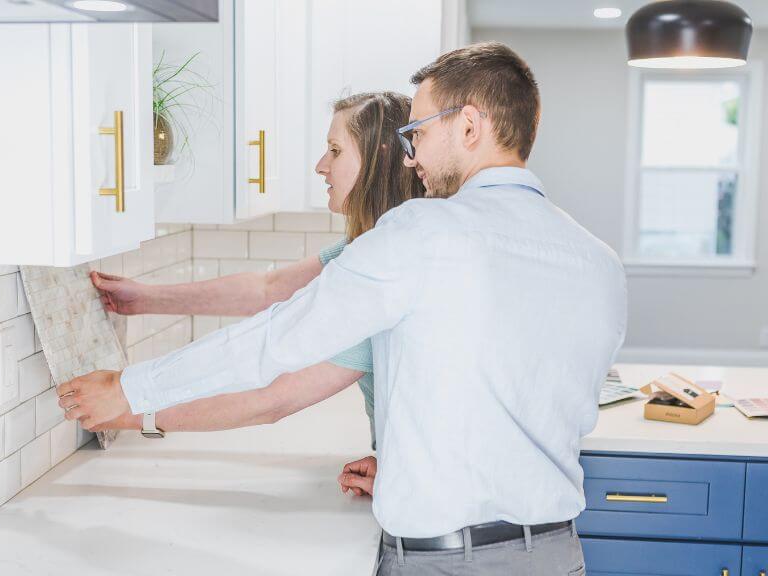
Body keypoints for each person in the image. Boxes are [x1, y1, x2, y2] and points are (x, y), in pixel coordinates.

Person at [59, 42, 627, 576]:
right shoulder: (599, 262)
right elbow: (525, 404)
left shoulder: (421, 233)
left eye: (420, 133)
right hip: (558, 554)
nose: (412, 157)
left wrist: (134, 391)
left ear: (471, 126)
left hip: (447, 563)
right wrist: (412, 473)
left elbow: (278, 339)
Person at [86, 91, 424, 497]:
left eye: (335, 151)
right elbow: (270, 288)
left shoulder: (381, 271)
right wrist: (145, 299)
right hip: (413, 480)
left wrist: (125, 410)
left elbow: (272, 400)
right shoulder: (371, 246)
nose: (321, 165)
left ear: (378, 157)